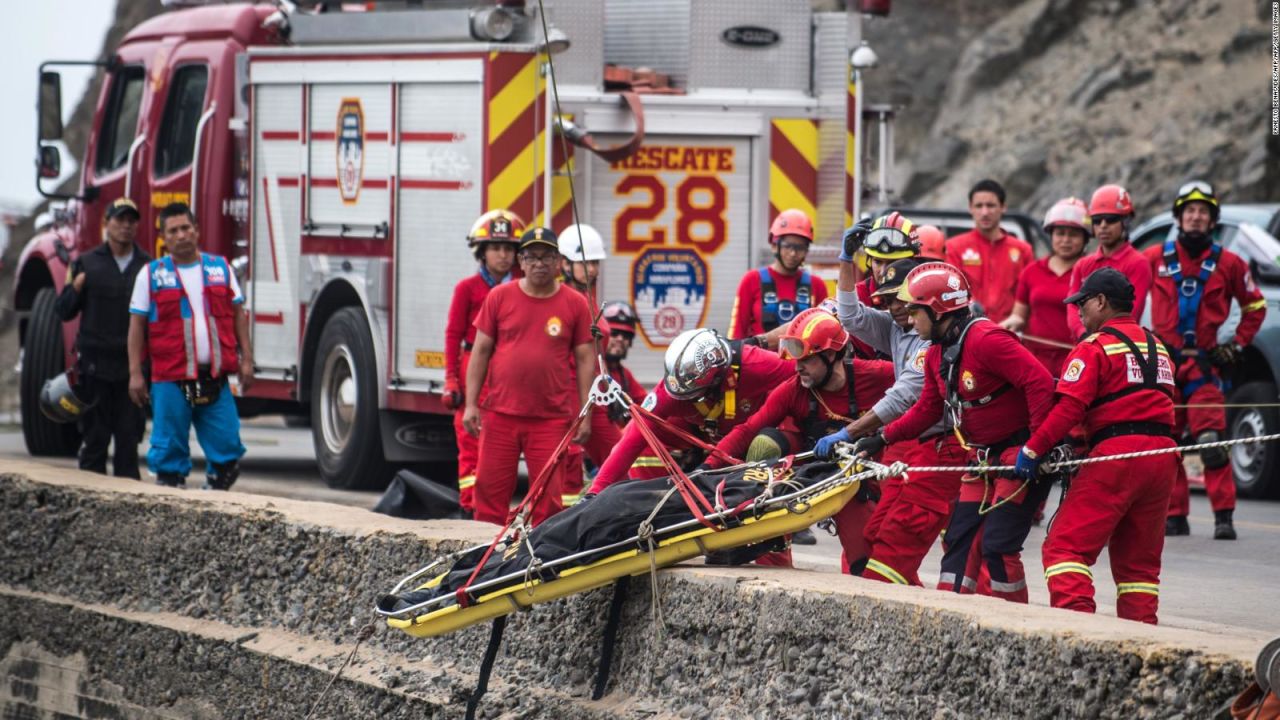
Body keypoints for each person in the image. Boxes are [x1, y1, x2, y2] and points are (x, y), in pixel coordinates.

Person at [855, 262, 1054, 602]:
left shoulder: (987, 340)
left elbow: (1039, 384)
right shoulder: (936, 353)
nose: (907, 319)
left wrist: (1035, 447)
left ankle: (1017, 618)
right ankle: (957, 613)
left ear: (937, 310)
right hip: (983, 457)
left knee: (996, 546)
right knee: (958, 540)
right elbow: (927, 411)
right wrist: (883, 437)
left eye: (914, 311)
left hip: (1018, 454)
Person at [1015, 267, 1178, 624]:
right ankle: (1143, 641)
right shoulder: (1157, 346)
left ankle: (1081, 632)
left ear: (1101, 302)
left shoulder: (1094, 346)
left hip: (1117, 455)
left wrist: (1032, 450)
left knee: (1064, 550)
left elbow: (1069, 408)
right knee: (1140, 570)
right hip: (1163, 457)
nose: (1079, 312)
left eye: (1082, 304)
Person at [817, 218, 964, 586]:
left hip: (943, 445)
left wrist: (849, 433)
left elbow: (904, 397)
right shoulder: (901, 325)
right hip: (910, 441)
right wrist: (846, 260)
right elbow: (850, 315)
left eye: (898, 300)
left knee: (897, 550)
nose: (892, 308)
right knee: (878, 535)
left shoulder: (932, 337)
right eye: (884, 300)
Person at [708, 308, 894, 568]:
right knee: (764, 444)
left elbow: (920, 390)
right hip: (808, 468)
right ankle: (772, 560)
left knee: (863, 562)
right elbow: (747, 430)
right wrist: (706, 468)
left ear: (830, 355)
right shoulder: (793, 389)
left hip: (858, 478)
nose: (797, 367)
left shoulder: (878, 375)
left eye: (805, 360)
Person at [1144, 181, 1266, 540]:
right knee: (1168, 442)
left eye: (1203, 212)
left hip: (1205, 366)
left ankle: (1223, 516)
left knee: (1211, 442)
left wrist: (1237, 345)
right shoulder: (1154, 259)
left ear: (1213, 220)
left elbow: (1255, 306)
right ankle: (1174, 515)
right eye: (1190, 211)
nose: (1196, 217)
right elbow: (1127, 299)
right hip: (1163, 364)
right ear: (1179, 217)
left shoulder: (1230, 263)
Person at [464, 227, 595, 527]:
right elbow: (480, 351)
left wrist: (585, 413)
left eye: (547, 256)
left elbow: (586, 359)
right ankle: (482, 557)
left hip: (550, 419)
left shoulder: (574, 303)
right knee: (488, 494)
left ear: (559, 261)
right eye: (532, 257)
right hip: (500, 414)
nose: (539, 263)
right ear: (520, 262)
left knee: (548, 499)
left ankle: (541, 562)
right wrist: (471, 404)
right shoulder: (499, 297)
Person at [127, 203, 253, 489]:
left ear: (197, 230)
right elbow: (136, 327)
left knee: (228, 456)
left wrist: (247, 359)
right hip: (170, 379)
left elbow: (238, 315)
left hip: (215, 378)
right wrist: (135, 373)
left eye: (186, 228)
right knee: (169, 462)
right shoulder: (150, 275)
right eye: (173, 230)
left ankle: (212, 497)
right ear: (164, 237)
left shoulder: (220, 268)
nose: (181, 235)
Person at [586, 328, 795, 496]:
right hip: (699, 436)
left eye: (691, 396)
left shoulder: (757, 364)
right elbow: (634, 438)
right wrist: (594, 493)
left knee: (766, 444)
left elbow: (805, 376)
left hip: (750, 435)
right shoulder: (672, 390)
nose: (680, 399)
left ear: (716, 381)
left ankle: (781, 495)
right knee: (640, 430)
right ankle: (652, 507)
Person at [55, 197, 151, 479]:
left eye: (131, 220)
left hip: (130, 371)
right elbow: (63, 310)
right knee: (95, 442)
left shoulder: (148, 267)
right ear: (106, 224)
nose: (126, 226)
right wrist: (76, 288)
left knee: (128, 444)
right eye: (120, 219)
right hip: (94, 370)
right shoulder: (85, 263)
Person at [443, 209, 523, 516]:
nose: (503, 255)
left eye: (508, 249)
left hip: (506, 370)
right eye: (496, 248)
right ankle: (469, 508)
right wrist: (451, 379)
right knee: (470, 438)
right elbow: (452, 334)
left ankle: (493, 506)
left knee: (501, 440)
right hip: (472, 365)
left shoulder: (519, 289)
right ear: (482, 252)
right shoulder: (467, 289)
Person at [556, 223, 622, 504]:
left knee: (620, 456)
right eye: (585, 263)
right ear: (565, 264)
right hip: (569, 391)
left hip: (596, 392)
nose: (592, 269)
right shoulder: (561, 300)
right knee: (569, 469)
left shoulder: (590, 300)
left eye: (595, 262)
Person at [1002, 198, 1091, 375]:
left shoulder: (1093, 272)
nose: (1065, 240)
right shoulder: (1032, 271)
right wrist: (998, 328)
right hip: (1035, 362)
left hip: (1078, 363)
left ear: (1085, 238)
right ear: (1050, 235)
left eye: (1073, 234)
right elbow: (1019, 316)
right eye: (1060, 233)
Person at [1065, 184, 1152, 340]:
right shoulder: (1083, 264)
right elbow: (1072, 306)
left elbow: (1131, 310)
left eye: (1111, 220)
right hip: (1087, 342)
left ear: (1125, 222)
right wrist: (1083, 334)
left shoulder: (1138, 263)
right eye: (1097, 220)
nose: (1103, 226)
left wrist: (1098, 338)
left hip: (1120, 344)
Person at [730, 208, 829, 342]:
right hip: (760, 361)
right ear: (774, 246)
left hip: (800, 362)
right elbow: (737, 332)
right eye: (788, 246)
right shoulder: (752, 280)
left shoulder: (817, 285)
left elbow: (823, 332)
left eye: (800, 248)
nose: (793, 253)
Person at [946, 179, 1033, 323]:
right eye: (979, 206)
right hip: (968, 332)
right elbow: (950, 291)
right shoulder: (954, 247)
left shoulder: (1023, 250)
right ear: (970, 208)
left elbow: (1029, 297)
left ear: (1003, 207)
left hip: (1009, 334)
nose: (984, 212)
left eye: (991, 205)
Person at [600, 300, 648, 411]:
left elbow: (647, 404)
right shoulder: (591, 372)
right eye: (614, 333)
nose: (620, 339)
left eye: (626, 335)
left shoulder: (625, 375)